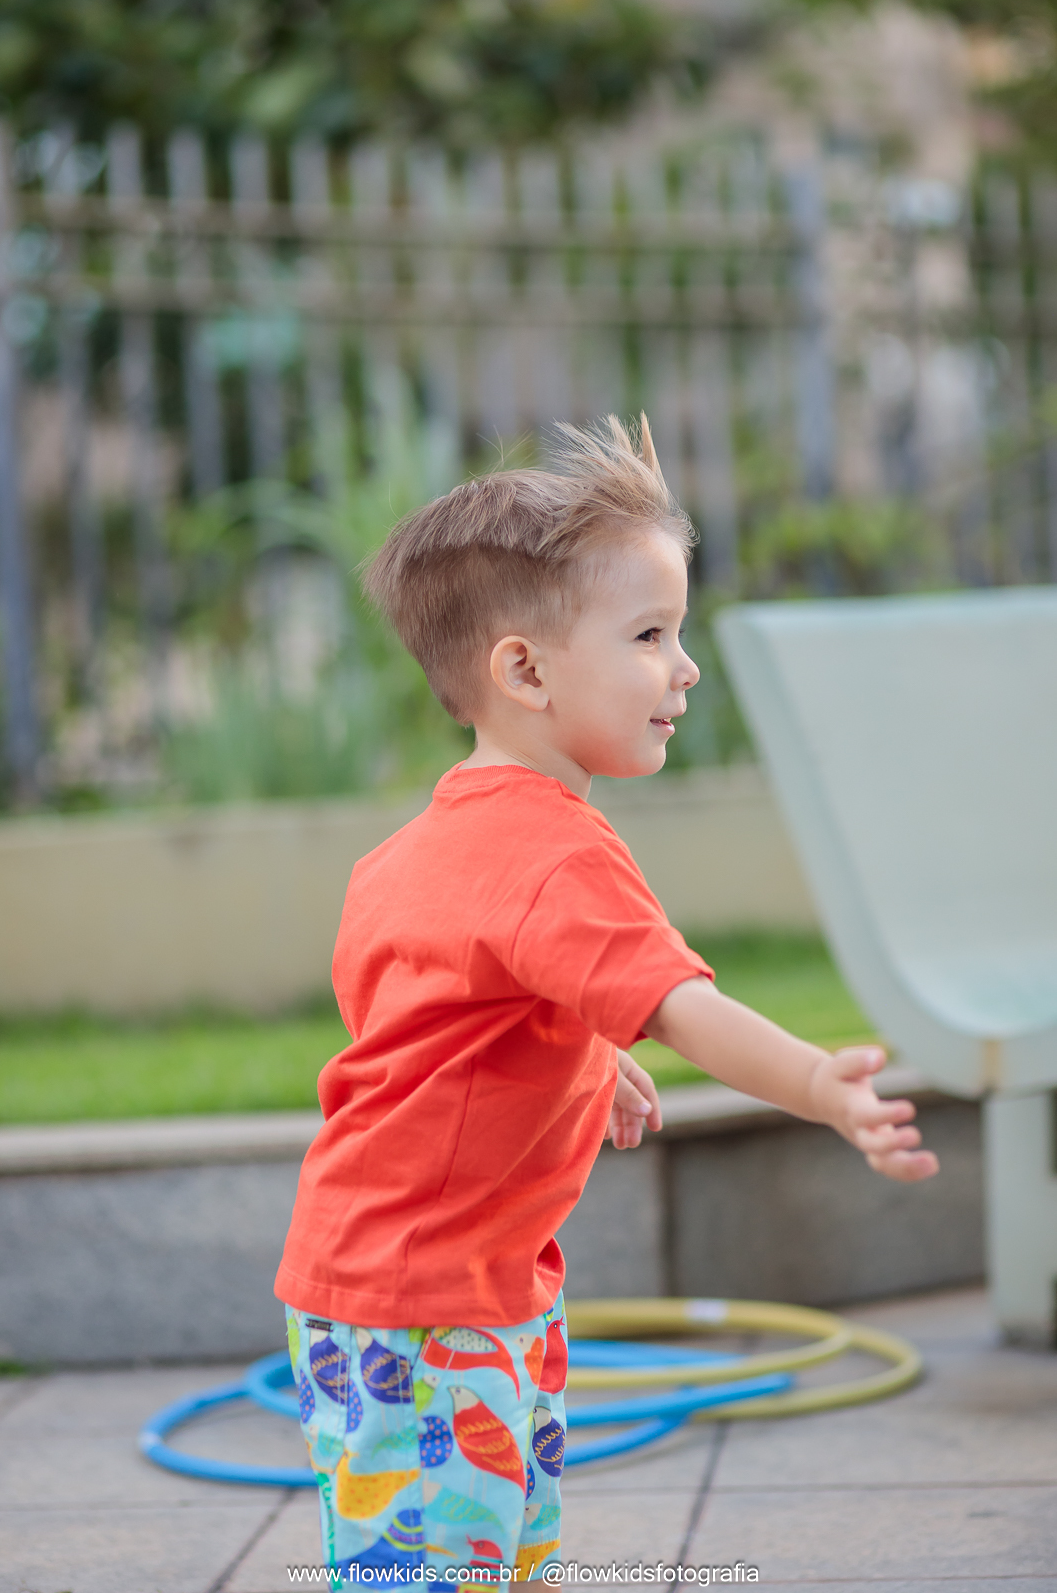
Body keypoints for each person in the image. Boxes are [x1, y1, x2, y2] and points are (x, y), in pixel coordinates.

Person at [275, 416, 938, 1586]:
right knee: (442, 1563)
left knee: (486, 1546)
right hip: (434, 1303)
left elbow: (439, 1022)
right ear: (524, 671)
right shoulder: (556, 853)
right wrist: (814, 1083)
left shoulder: (411, 852)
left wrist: (583, 1052)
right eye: (647, 634)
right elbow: (677, 1003)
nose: (684, 666)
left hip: (408, 1280)